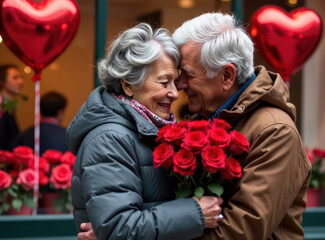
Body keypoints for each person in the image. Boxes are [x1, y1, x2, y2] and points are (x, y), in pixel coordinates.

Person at [79, 12, 312, 240]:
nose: (178, 87)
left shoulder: (274, 131)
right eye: (167, 79)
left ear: (227, 76)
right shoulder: (200, 118)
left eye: (186, 74)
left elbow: (237, 233)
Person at [67, 23, 222, 240]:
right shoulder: (110, 139)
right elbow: (119, 228)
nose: (175, 94)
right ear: (128, 85)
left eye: (175, 82)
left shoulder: (150, 131)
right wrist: (196, 213)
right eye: (164, 82)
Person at [0, 64, 24, 151]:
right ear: (1, 82)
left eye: (21, 77)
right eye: (15, 78)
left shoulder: (8, 106)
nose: (21, 81)